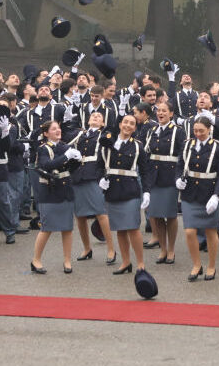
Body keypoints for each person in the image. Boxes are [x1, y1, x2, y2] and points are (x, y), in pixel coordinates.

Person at [176, 117, 219, 281]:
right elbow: (180, 165)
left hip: (209, 193)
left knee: (210, 231)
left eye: (201, 131)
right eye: (195, 131)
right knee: (189, 231)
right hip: (190, 193)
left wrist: (217, 195)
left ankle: (211, 266)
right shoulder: (187, 145)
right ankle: (196, 264)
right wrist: (178, 179)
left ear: (209, 129)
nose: (198, 134)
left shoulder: (218, 147)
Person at [98, 113, 150, 275]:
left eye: (132, 124)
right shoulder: (107, 143)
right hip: (112, 190)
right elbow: (99, 165)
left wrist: (147, 192)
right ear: (120, 125)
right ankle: (126, 262)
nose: (128, 125)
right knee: (120, 229)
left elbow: (145, 171)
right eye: (125, 122)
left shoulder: (137, 146)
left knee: (133, 228)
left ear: (135, 128)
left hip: (130, 190)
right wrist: (100, 179)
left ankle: (140, 263)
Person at [31, 120, 79, 273]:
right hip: (50, 191)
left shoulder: (66, 147)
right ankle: (36, 260)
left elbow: (71, 169)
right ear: (46, 133)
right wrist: (66, 156)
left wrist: (77, 160)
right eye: (53, 129)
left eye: (58, 128)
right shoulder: (43, 149)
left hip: (65, 190)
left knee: (67, 228)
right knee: (46, 228)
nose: (58, 130)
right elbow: (47, 165)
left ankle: (67, 260)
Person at [143, 102, 187, 263]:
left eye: (164, 111)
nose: (160, 113)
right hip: (153, 177)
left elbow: (183, 155)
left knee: (170, 215)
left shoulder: (178, 131)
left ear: (171, 113)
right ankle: (163, 249)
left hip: (169, 177)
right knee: (156, 216)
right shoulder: (152, 130)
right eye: (158, 111)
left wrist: (180, 176)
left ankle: (171, 250)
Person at [72, 111, 116, 264]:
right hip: (78, 175)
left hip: (94, 175)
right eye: (93, 116)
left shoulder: (104, 134)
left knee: (100, 213)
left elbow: (110, 143)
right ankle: (86, 248)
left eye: (99, 117)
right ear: (87, 120)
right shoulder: (79, 135)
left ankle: (111, 249)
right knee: (80, 215)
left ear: (103, 123)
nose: (95, 117)